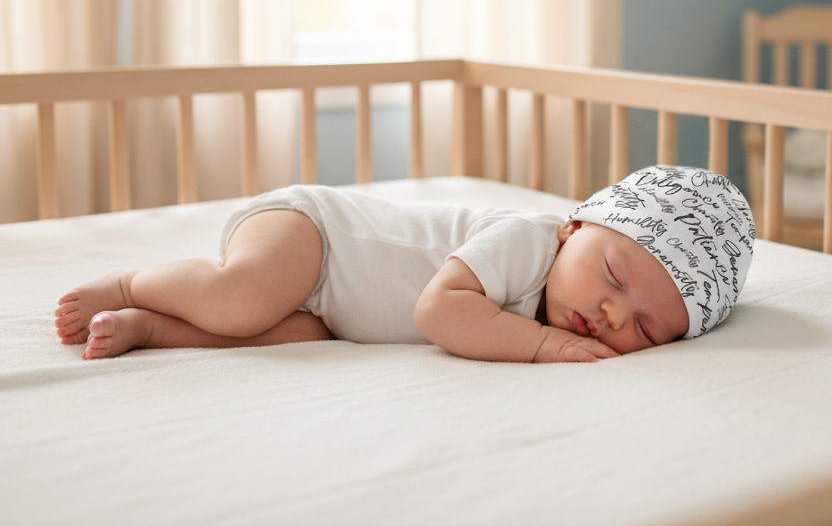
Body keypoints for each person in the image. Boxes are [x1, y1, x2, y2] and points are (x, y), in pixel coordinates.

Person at [54, 165, 755, 364]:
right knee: (243, 300)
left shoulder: (571, 275)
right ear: (575, 226)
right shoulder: (527, 240)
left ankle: (151, 327)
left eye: (648, 330)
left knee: (291, 336)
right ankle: (129, 281)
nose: (611, 316)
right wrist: (542, 344)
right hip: (316, 235)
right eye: (615, 280)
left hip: (330, 312)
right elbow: (438, 311)